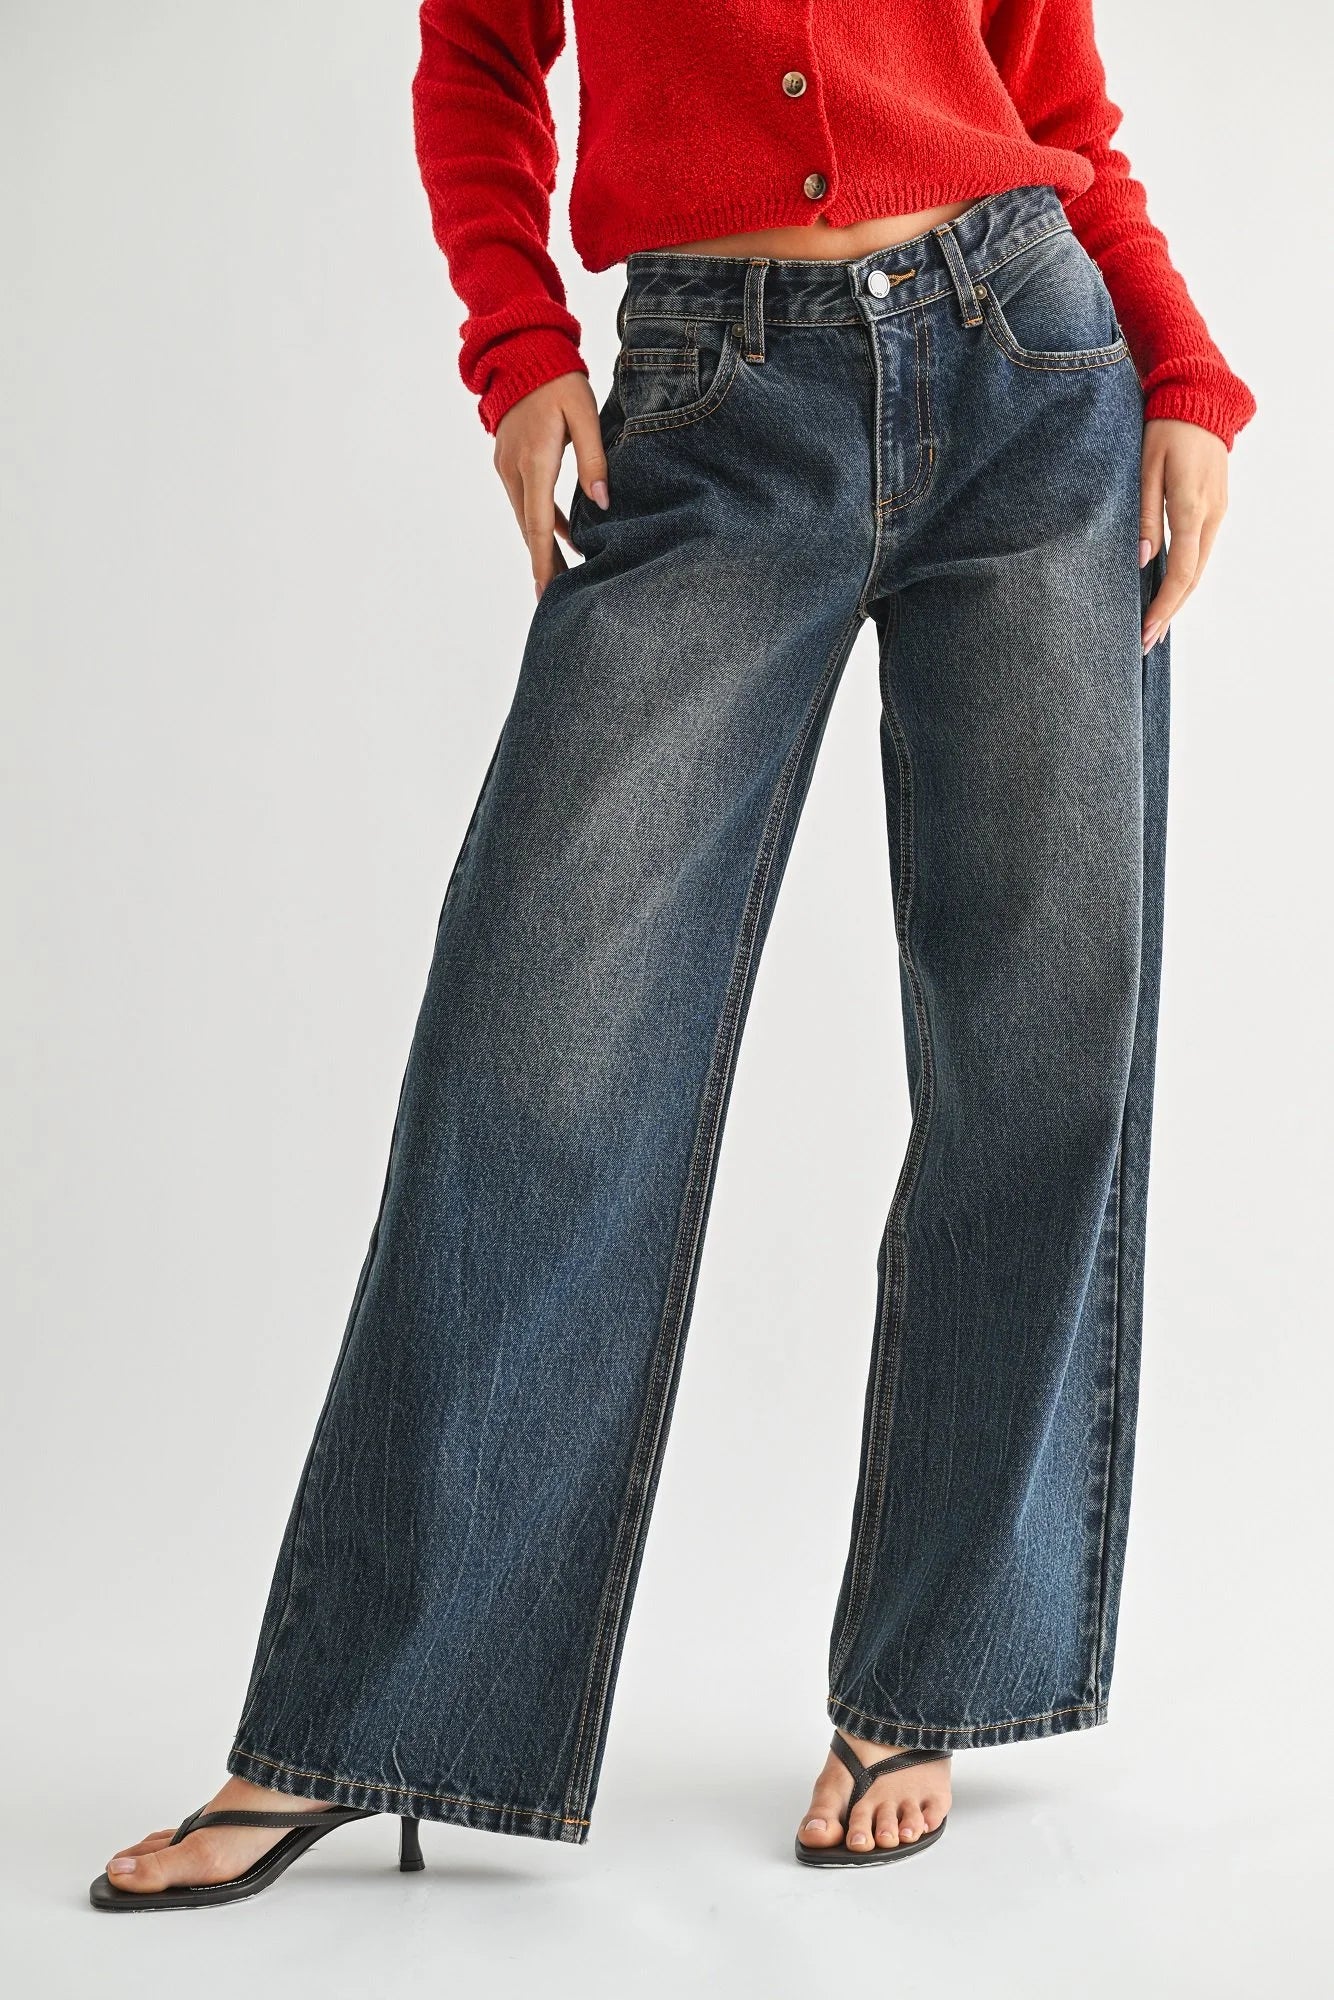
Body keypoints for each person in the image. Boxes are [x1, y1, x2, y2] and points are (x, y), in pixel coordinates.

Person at [91, 0, 1255, 1909]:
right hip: (720, 395)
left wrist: (1185, 372)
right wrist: (516, 347)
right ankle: (365, 1719)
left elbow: (1054, 102)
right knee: (537, 1044)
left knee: (1038, 1044)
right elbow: (475, 52)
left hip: (1039, 366)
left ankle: (932, 1675)